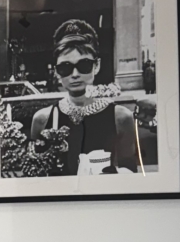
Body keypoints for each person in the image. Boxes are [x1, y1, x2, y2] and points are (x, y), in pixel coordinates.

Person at [29, 20, 141, 175]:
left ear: (97, 65)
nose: (75, 75)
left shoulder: (120, 117)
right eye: (65, 67)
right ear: (56, 72)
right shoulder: (42, 119)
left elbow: (130, 173)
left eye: (84, 65)